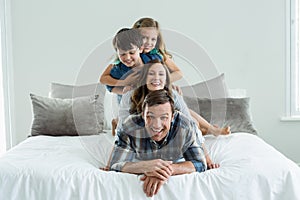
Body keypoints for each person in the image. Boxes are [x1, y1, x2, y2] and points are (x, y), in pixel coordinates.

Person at [132, 17, 230, 135]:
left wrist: (165, 83)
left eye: (153, 39)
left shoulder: (159, 55)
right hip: (142, 95)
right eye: (144, 38)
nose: (149, 42)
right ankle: (201, 130)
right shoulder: (131, 56)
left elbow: (178, 72)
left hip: (159, 92)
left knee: (184, 111)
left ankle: (212, 129)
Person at [109, 89, 206, 197]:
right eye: (150, 117)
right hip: (140, 159)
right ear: (142, 115)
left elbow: (200, 163)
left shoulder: (185, 126)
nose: (156, 125)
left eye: (164, 117)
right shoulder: (130, 126)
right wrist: (144, 167)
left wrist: (167, 170)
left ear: (172, 117)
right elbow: (115, 165)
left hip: (175, 160)